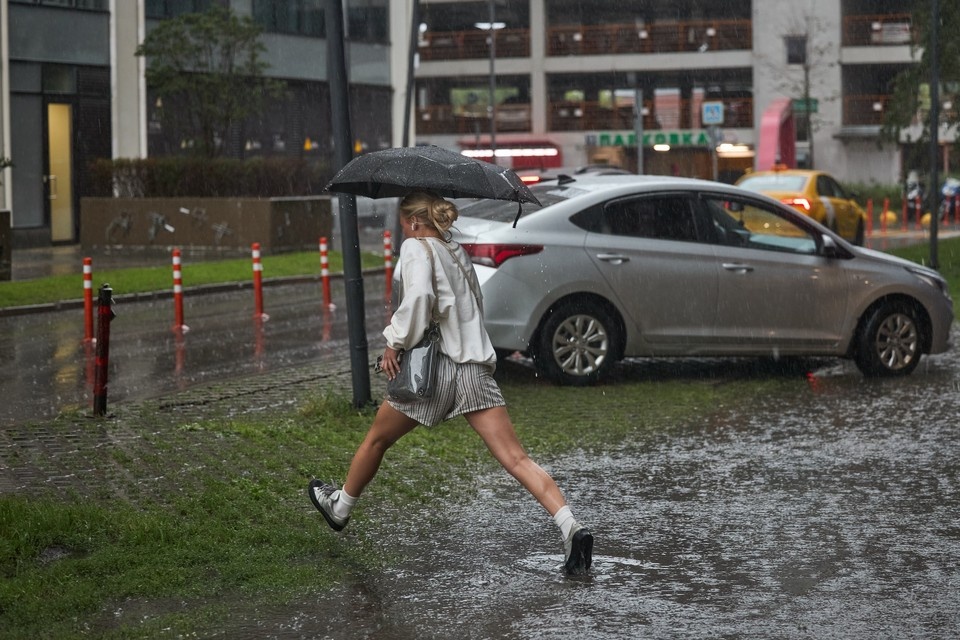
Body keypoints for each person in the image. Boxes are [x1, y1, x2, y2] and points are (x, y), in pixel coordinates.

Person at [308, 191, 593, 575]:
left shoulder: (415, 248)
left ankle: (340, 507)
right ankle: (570, 527)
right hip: (474, 369)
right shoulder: (456, 251)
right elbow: (471, 306)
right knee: (516, 458)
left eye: (403, 221)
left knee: (377, 439)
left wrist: (394, 341)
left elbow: (420, 298)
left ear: (411, 221)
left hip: (432, 372)